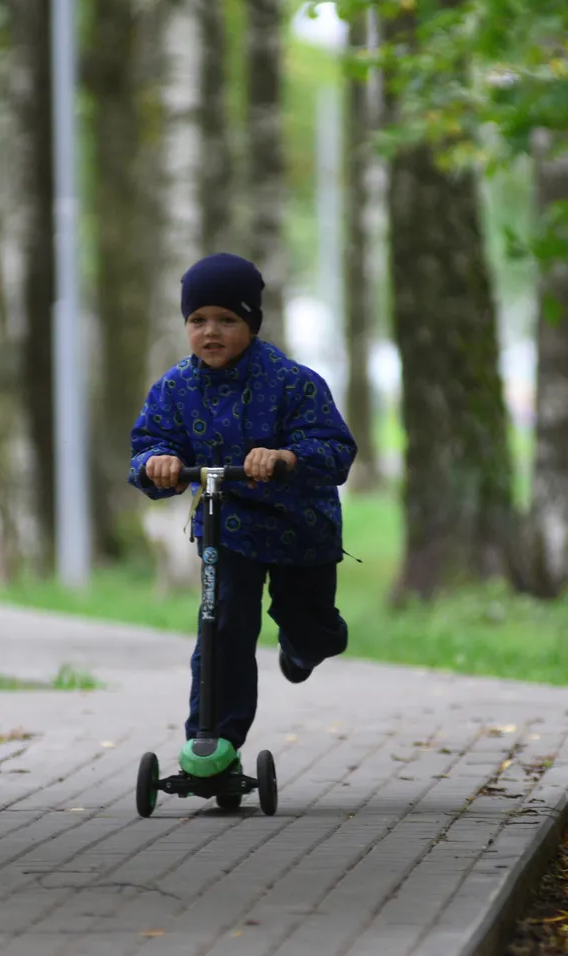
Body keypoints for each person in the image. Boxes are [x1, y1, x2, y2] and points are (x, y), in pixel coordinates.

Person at [129, 252, 358, 778]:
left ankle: (305, 647)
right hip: (228, 526)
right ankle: (214, 743)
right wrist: (157, 464)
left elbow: (335, 449)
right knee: (223, 626)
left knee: (313, 627)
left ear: (252, 323)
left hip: (300, 527)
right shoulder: (174, 389)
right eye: (197, 320)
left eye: (227, 320)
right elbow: (150, 444)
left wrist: (286, 457)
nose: (211, 332)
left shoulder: (293, 382)